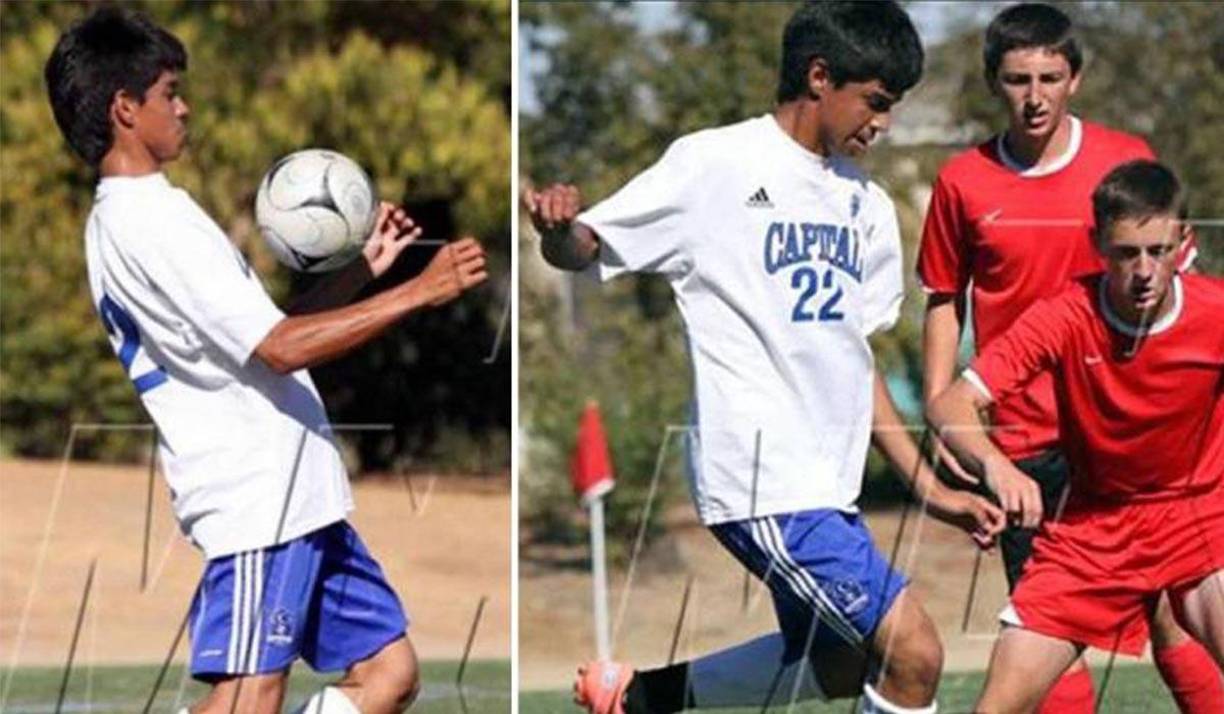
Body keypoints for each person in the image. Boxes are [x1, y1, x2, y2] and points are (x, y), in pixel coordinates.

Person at [526, 3, 1003, 713]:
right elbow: (589, 247)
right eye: (875, 101)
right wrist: (561, 230)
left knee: (842, 664)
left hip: (825, 488)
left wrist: (928, 489)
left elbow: (856, 366)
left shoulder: (866, 208)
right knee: (916, 652)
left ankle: (643, 701)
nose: (883, 123)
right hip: (758, 480)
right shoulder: (714, 163)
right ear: (819, 77)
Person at [44, 8, 487, 714]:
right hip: (256, 498)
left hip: (298, 496)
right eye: (168, 92)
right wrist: (420, 293)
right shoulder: (152, 222)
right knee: (251, 698)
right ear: (125, 109)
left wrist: (364, 272)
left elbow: (265, 335)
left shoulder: (134, 217)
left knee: (387, 675)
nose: (183, 106)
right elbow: (281, 350)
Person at [915, 4, 1217, 711]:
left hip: (1128, 436)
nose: (1035, 94)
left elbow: (1186, 296)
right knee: (1051, 624)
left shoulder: (1124, 160)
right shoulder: (963, 182)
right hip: (1025, 435)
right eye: (1018, 78)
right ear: (996, 83)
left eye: (1050, 76)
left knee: (1172, 615)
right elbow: (941, 297)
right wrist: (943, 412)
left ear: (1075, 79)